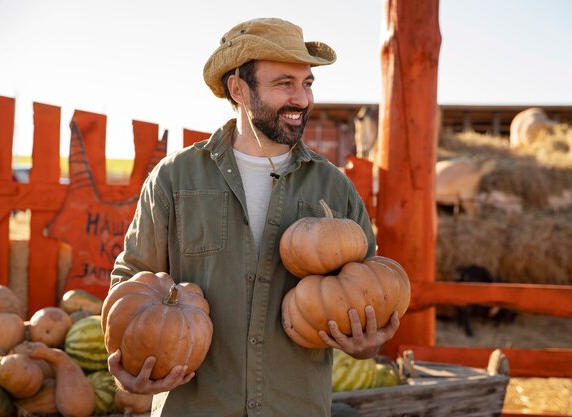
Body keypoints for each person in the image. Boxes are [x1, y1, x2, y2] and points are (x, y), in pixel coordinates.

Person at [107, 17, 401, 417]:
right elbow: (132, 278)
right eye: (284, 84)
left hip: (296, 407)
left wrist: (369, 342)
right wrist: (127, 362)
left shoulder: (333, 188)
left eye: (308, 84)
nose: (302, 99)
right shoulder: (175, 178)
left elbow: (368, 289)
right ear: (239, 89)